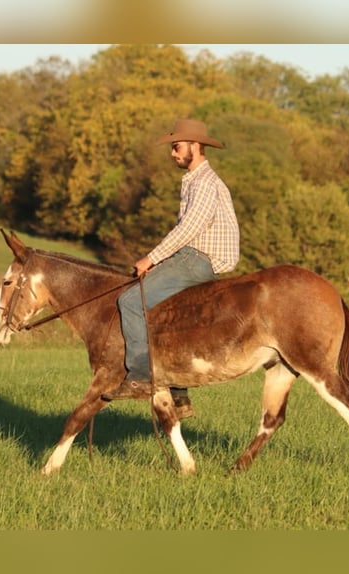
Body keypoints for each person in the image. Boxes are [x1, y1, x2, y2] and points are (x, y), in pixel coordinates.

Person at [102, 119, 240, 419]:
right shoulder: (194, 181)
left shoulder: (205, 183)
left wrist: (150, 259)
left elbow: (189, 228)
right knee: (162, 314)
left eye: (176, 147)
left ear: (195, 146)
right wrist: (161, 262)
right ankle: (179, 395)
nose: (173, 153)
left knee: (130, 302)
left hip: (197, 259)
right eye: (172, 148)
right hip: (191, 258)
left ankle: (139, 377)